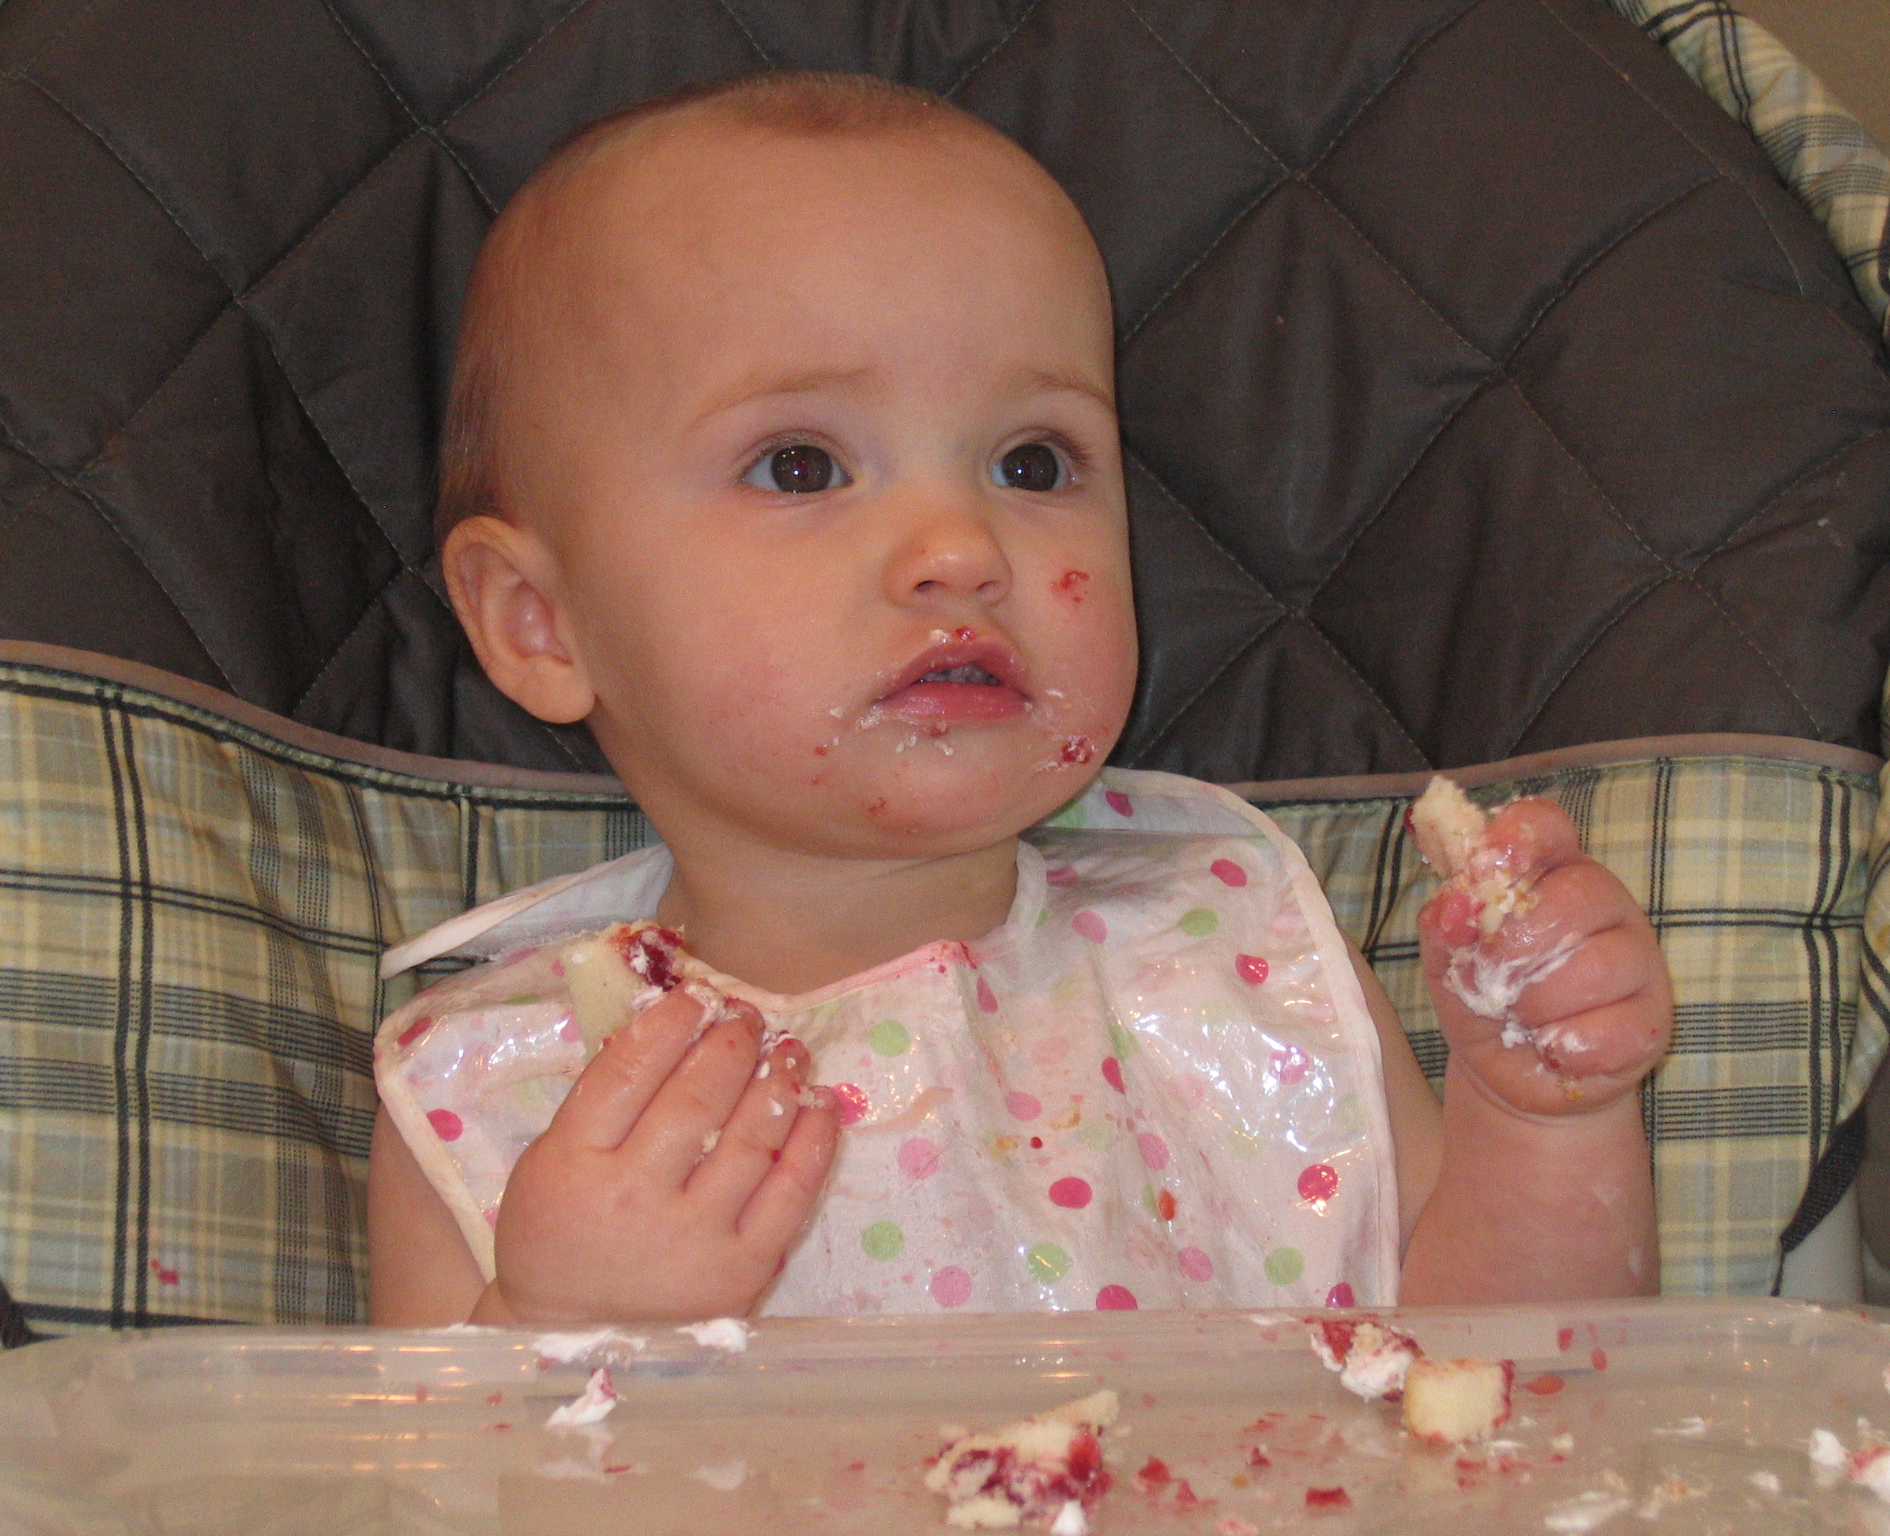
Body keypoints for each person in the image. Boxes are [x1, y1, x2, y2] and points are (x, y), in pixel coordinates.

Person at [366, 71, 1671, 1328]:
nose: (961, 544)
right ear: (542, 624)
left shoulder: (1233, 951)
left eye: (1032, 461)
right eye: (803, 464)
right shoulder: (507, 1088)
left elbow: (1511, 1402)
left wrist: (1542, 1122)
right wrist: (557, 1323)